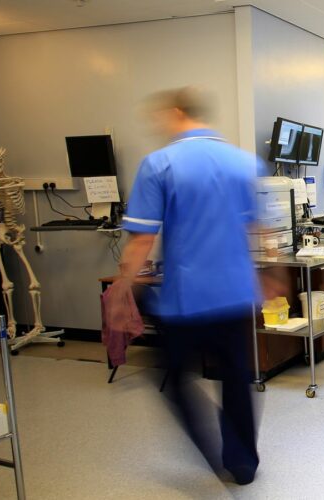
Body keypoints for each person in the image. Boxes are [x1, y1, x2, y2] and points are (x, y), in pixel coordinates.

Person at [117, 87, 267, 484]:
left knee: (174, 377)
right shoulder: (245, 163)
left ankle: (211, 446)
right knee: (236, 377)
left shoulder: (160, 163)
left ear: (178, 113)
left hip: (187, 299)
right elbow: (259, 229)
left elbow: (141, 240)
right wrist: (276, 279)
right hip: (236, 293)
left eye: (161, 116)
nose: (158, 125)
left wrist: (122, 289)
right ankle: (242, 463)